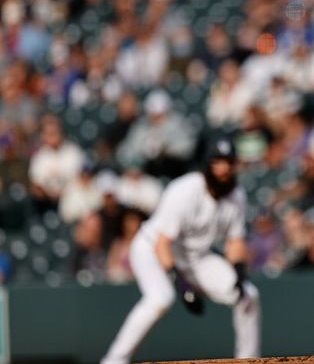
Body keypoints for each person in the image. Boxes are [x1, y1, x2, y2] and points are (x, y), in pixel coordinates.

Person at [101, 138, 261, 364]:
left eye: (228, 162)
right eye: (218, 162)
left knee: (248, 295)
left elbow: (235, 241)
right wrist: (181, 284)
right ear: (207, 164)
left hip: (195, 257)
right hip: (151, 249)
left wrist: (239, 271)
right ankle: (114, 361)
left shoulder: (237, 196)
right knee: (160, 298)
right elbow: (163, 243)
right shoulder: (185, 190)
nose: (223, 168)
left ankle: (249, 360)